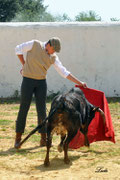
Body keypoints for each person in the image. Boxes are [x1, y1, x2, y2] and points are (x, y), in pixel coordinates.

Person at [14, 37, 87, 149]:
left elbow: (64, 72)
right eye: (53, 49)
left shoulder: (53, 57)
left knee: (42, 110)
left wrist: (80, 82)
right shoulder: (34, 44)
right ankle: (18, 138)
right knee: (24, 108)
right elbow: (18, 49)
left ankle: (44, 139)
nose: (53, 52)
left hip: (41, 83)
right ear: (48, 45)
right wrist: (24, 64)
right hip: (27, 80)